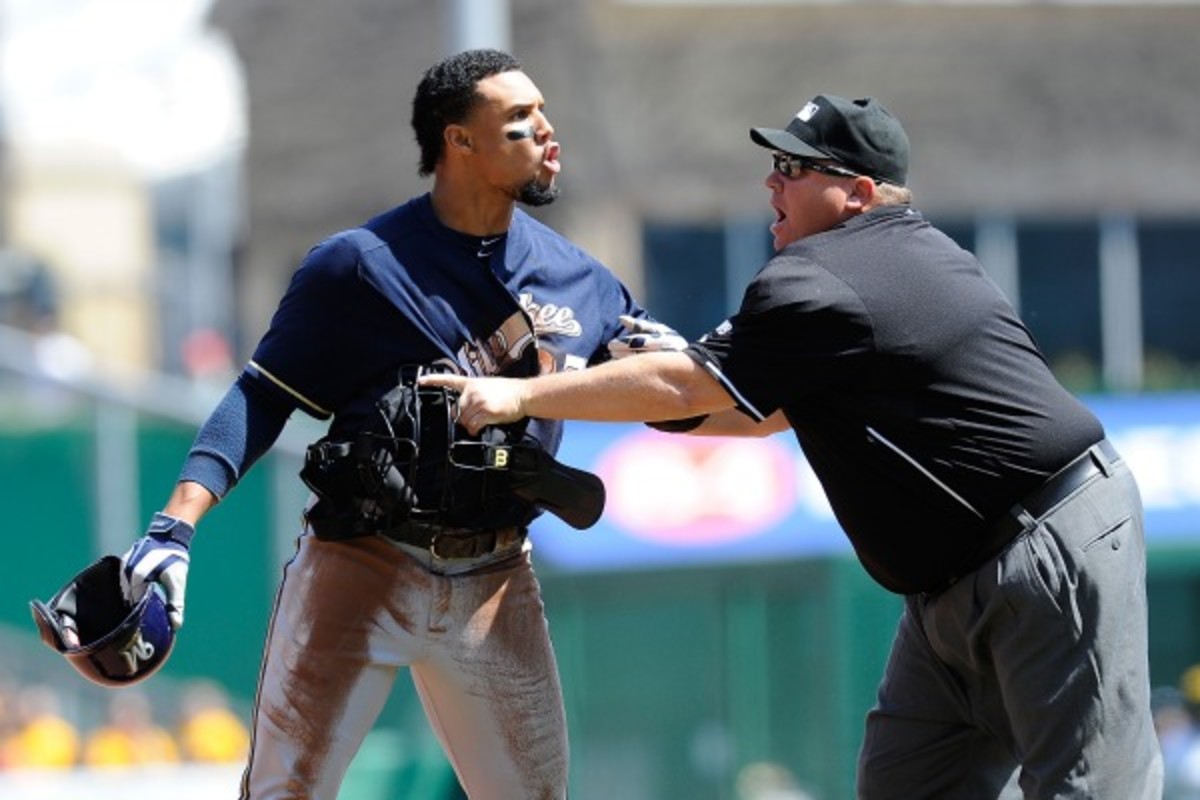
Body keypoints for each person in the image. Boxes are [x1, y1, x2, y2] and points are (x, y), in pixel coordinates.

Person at [422, 94, 1163, 798]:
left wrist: (522, 395)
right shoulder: (878, 265)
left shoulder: (831, 274)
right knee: (911, 783)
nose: (773, 180)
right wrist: (633, 386)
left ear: (859, 194)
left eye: (797, 169)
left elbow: (692, 388)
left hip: (1045, 544)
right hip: (955, 579)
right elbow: (756, 414)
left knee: (1088, 787)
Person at [117, 48, 669, 799]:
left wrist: (709, 370)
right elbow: (261, 395)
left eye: (542, 113)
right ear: (458, 141)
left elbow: (669, 391)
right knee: (285, 792)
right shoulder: (360, 265)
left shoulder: (584, 279)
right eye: (519, 120)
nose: (546, 132)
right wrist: (174, 527)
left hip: (496, 576)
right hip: (362, 564)